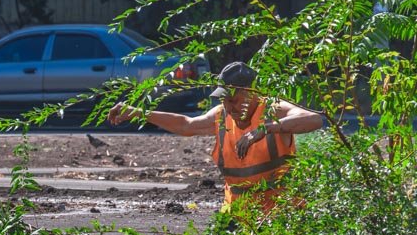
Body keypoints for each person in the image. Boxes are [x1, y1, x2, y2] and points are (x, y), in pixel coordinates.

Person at [107, 61, 323, 212]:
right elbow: (186, 125)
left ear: (253, 93)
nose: (229, 107)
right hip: (239, 216)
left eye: (235, 100)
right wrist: (139, 112)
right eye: (225, 100)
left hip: (280, 215)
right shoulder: (222, 115)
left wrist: (264, 129)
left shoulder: (273, 110)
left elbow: (313, 119)